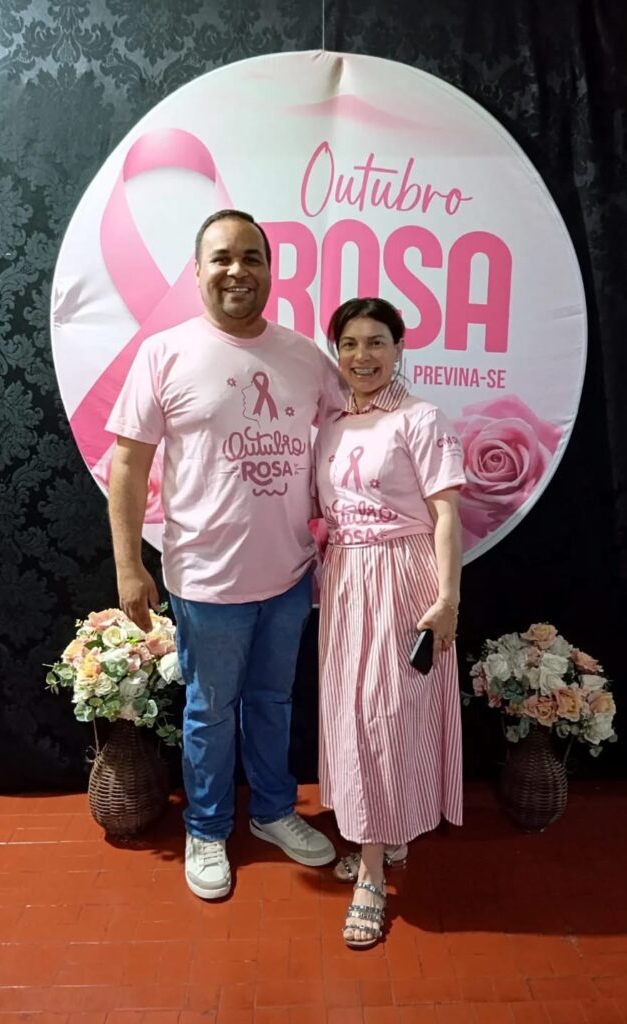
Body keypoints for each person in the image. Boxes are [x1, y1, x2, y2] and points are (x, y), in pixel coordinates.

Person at [106, 209, 342, 900]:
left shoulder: (304, 356)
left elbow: (352, 428)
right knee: (209, 712)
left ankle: (272, 810)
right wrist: (128, 565)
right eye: (221, 258)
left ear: (270, 268)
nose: (237, 270)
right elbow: (128, 465)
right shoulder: (166, 353)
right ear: (198, 270)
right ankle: (207, 828)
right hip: (206, 582)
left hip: (288, 575)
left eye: (251, 257)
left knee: (272, 701)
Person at [314, 297, 466, 948]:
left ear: (399, 348)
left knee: (385, 717)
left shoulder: (422, 419)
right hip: (346, 581)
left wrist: (448, 599)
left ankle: (371, 874)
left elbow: (446, 515)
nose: (362, 356)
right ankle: (384, 833)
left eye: (376, 342)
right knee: (350, 716)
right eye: (349, 344)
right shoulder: (330, 426)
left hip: (402, 581)